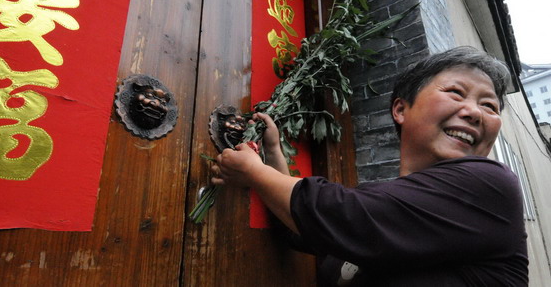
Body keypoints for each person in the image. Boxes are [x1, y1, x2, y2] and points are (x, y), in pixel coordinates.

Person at [211, 46, 529, 286]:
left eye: (490, 105)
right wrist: (273, 153)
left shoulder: (493, 186)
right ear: (401, 109)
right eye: (456, 93)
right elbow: (305, 228)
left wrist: (254, 170)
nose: (474, 112)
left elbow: (343, 216)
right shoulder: (384, 209)